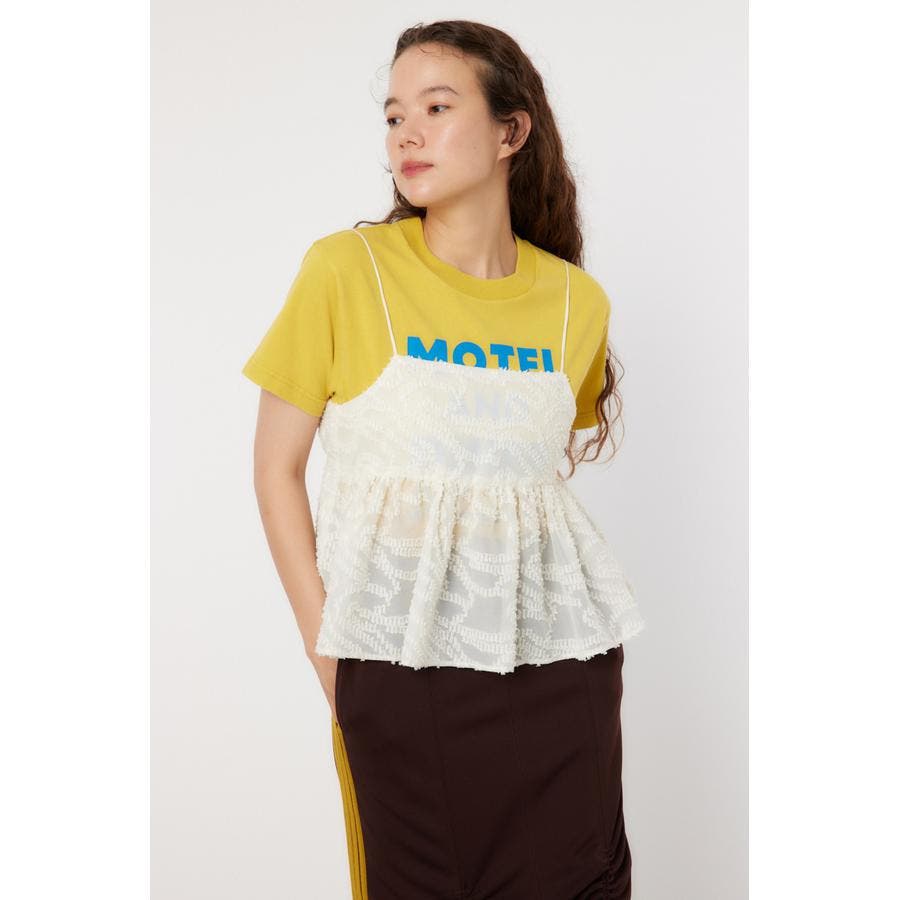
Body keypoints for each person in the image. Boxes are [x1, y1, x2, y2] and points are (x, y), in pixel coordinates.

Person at [242, 19, 646, 900]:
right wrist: (333, 663)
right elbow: (276, 471)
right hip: (398, 672)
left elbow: (521, 487)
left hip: (563, 673)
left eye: (435, 108)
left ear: (511, 131)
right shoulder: (347, 270)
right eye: (394, 116)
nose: (406, 135)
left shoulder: (576, 301)